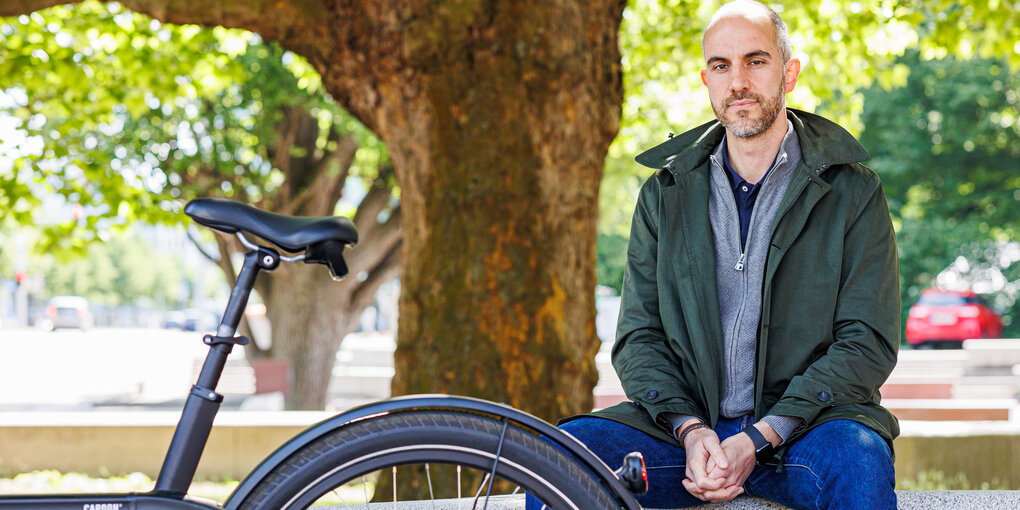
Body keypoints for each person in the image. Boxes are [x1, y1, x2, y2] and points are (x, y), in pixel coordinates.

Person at [537, 1, 901, 509]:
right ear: (706, 79)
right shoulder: (665, 194)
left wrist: (761, 436)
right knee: (559, 459)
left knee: (859, 457)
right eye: (721, 65)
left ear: (789, 73)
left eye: (756, 61)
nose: (738, 82)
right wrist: (690, 430)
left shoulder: (852, 192)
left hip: (807, 431)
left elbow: (866, 342)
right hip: (685, 439)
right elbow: (639, 338)